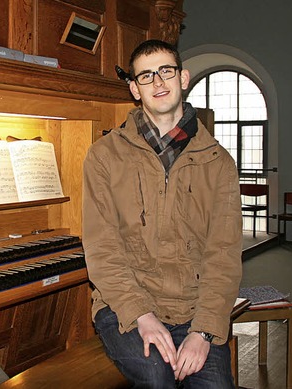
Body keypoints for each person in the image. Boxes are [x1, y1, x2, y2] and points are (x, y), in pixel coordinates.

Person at [82, 39, 243, 388]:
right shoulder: (104, 156)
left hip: (194, 310)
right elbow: (102, 248)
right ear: (134, 89)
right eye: (146, 76)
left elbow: (224, 255)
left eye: (165, 71)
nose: (157, 82)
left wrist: (203, 331)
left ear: (183, 78)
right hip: (124, 305)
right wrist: (141, 315)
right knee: (158, 377)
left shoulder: (218, 161)